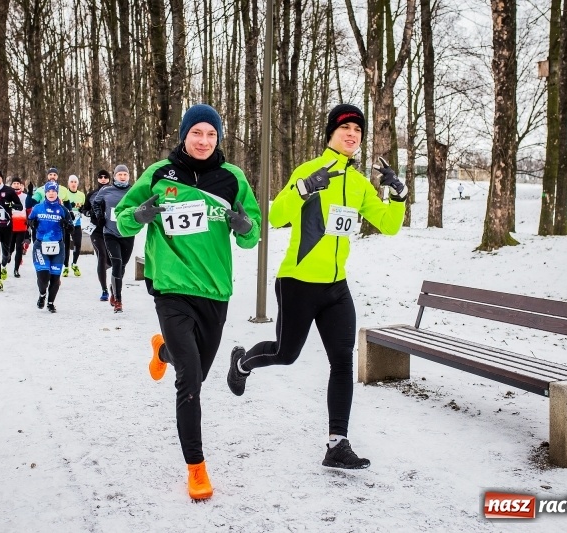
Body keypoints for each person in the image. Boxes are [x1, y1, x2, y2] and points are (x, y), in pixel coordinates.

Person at [226, 103, 407, 470]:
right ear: (331, 134)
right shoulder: (309, 170)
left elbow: (388, 226)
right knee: (285, 353)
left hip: (336, 288)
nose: (352, 134)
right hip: (298, 283)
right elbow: (276, 216)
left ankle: (337, 444)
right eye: (345, 128)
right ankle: (242, 364)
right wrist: (304, 189)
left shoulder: (358, 183)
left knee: (342, 362)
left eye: (358, 130)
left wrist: (398, 195)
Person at [115, 104, 261, 500]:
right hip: (170, 287)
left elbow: (252, 235)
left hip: (214, 290)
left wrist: (244, 226)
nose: (203, 140)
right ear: (184, 135)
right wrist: (139, 215)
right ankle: (196, 469)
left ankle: (163, 350)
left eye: (211, 134)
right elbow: (122, 218)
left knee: (197, 370)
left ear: (218, 138)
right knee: (190, 381)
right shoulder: (159, 174)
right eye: (196, 132)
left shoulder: (232, 178)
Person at [92, 164, 135, 312]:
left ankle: (113, 288)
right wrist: (99, 216)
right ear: (115, 176)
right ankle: (118, 300)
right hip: (110, 233)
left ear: (128, 176)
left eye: (125, 174)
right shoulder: (106, 190)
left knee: (122, 266)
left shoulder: (133, 191)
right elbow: (96, 203)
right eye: (119, 174)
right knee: (117, 263)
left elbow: (141, 206)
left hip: (128, 233)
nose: (122, 177)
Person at [28, 181, 74, 313]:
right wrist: (32, 223)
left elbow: (71, 229)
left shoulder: (63, 210)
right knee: (43, 276)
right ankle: (42, 294)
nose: (51, 193)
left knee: (55, 277)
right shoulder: (38, 208)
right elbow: (29, 221)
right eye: (49, 191)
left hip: (57, 247)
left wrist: (66, 225)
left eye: (54, 191)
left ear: (57, 193)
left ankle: (50, 303)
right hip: (40, 245)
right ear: (45, 193)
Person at [81, 169, 113, 301]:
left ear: (109, 179)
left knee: (111, 260)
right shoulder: (91, 194)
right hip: (96, 230)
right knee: (101, 254)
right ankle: (104, 290)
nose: (103, 179)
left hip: (110, 229)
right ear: (97, 179)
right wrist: (88, 213)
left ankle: (106, 269)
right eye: (101, 177)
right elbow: (84, 209)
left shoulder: (114, 192)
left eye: (106, 177)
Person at [62, 174, 86, 277]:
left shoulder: (81, 195)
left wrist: (82, 209)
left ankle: (74, 264)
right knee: (66, 245)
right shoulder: (65, 194)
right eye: (71, 182)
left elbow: (83, 208)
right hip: (67, 224)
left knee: (78, 244)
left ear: (77, 184)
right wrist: (69, 206)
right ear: (68, 183)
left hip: (77, 223)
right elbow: (61, 206)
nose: (73, 184)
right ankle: (66, 267)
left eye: (75, 182)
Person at [8, 177, 30, 278]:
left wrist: (29, 221)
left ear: (21, 186)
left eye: (18, 183)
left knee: (19, 248)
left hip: (22, 226)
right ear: (11, 185)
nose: (16, 185)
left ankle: (16, 269)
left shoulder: (25, 197)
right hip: (10, 226)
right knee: (10, 247)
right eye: (14, 183)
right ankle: (8, 256)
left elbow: (29, 210)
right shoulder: (8, 196)